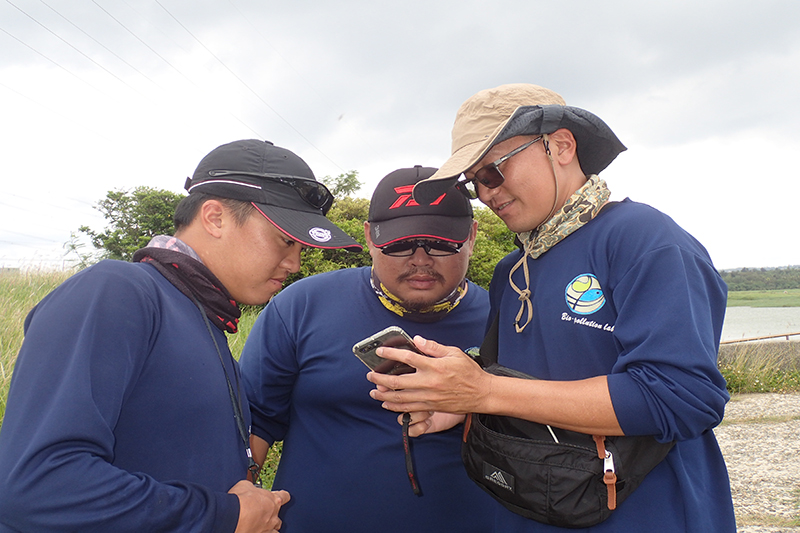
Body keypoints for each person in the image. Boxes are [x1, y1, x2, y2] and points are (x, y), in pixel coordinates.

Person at [366, 84, 736, 532]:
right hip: (535, 507)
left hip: (648, 512)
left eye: (494, 172)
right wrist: (464, 405)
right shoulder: (512, 269)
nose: (485, 192)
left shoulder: (644, 240)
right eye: (473, 181)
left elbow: (680, 398)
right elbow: (523, 385)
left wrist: (485, 391)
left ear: (560, 145)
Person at [0, 139, 362, 533]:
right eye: (285, 240)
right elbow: (35, 486)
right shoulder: (119, 291)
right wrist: (224, 515)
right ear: (214, 217)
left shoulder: (206, 318)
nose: (294, 263)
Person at [238, 165, 493, 533]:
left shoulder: (507, 320)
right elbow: (255, 421)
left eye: (441, 243)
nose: (420, 259)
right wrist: (237, 505)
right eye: (399, 244)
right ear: (370, 238)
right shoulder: (301, 306)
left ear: (471, 236)